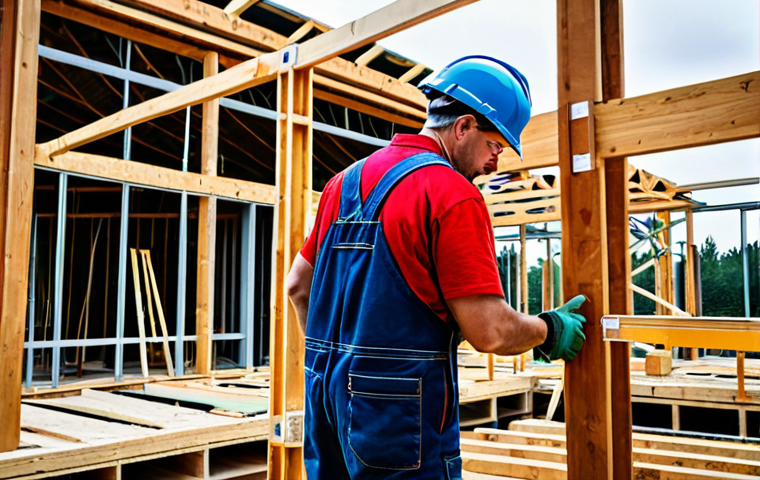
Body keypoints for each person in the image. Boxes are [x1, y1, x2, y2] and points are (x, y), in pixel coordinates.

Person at [286, 56, 588, 480]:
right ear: (463, 126)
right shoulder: (451, 193)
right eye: (495, 146)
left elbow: (298, 286)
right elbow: (490, 330)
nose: (495, 163)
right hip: (397, 414)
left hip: (324, 404)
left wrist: (341, 364)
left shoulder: (343, 183)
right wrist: (549, 330)